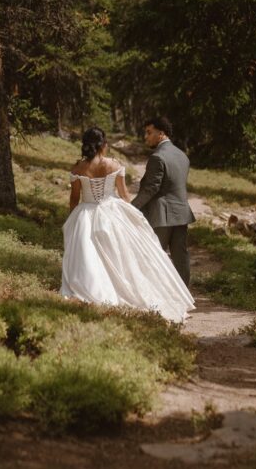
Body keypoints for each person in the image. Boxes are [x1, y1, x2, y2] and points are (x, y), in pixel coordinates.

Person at [60, 125, 194, 323]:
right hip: (111, 211)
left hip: (85, 214)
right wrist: (132, 215)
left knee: (89, 256)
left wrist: (72, 219)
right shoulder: (114, 165)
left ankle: (95, 291)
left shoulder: (78, 168)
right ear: (103, 145)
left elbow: (74, 198)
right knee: (121, 255)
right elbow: (124, 195)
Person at [132, 116, 196, 287]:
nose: (146, 137)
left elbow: (150, 188)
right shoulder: (183, 156)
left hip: (161, 215)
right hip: (181, 213)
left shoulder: (157, 157)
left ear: (161, 134)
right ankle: (185, 297)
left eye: (149, 132)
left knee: (154, 255)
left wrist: (131, 208)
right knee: (180, 255)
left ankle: (156, 296)